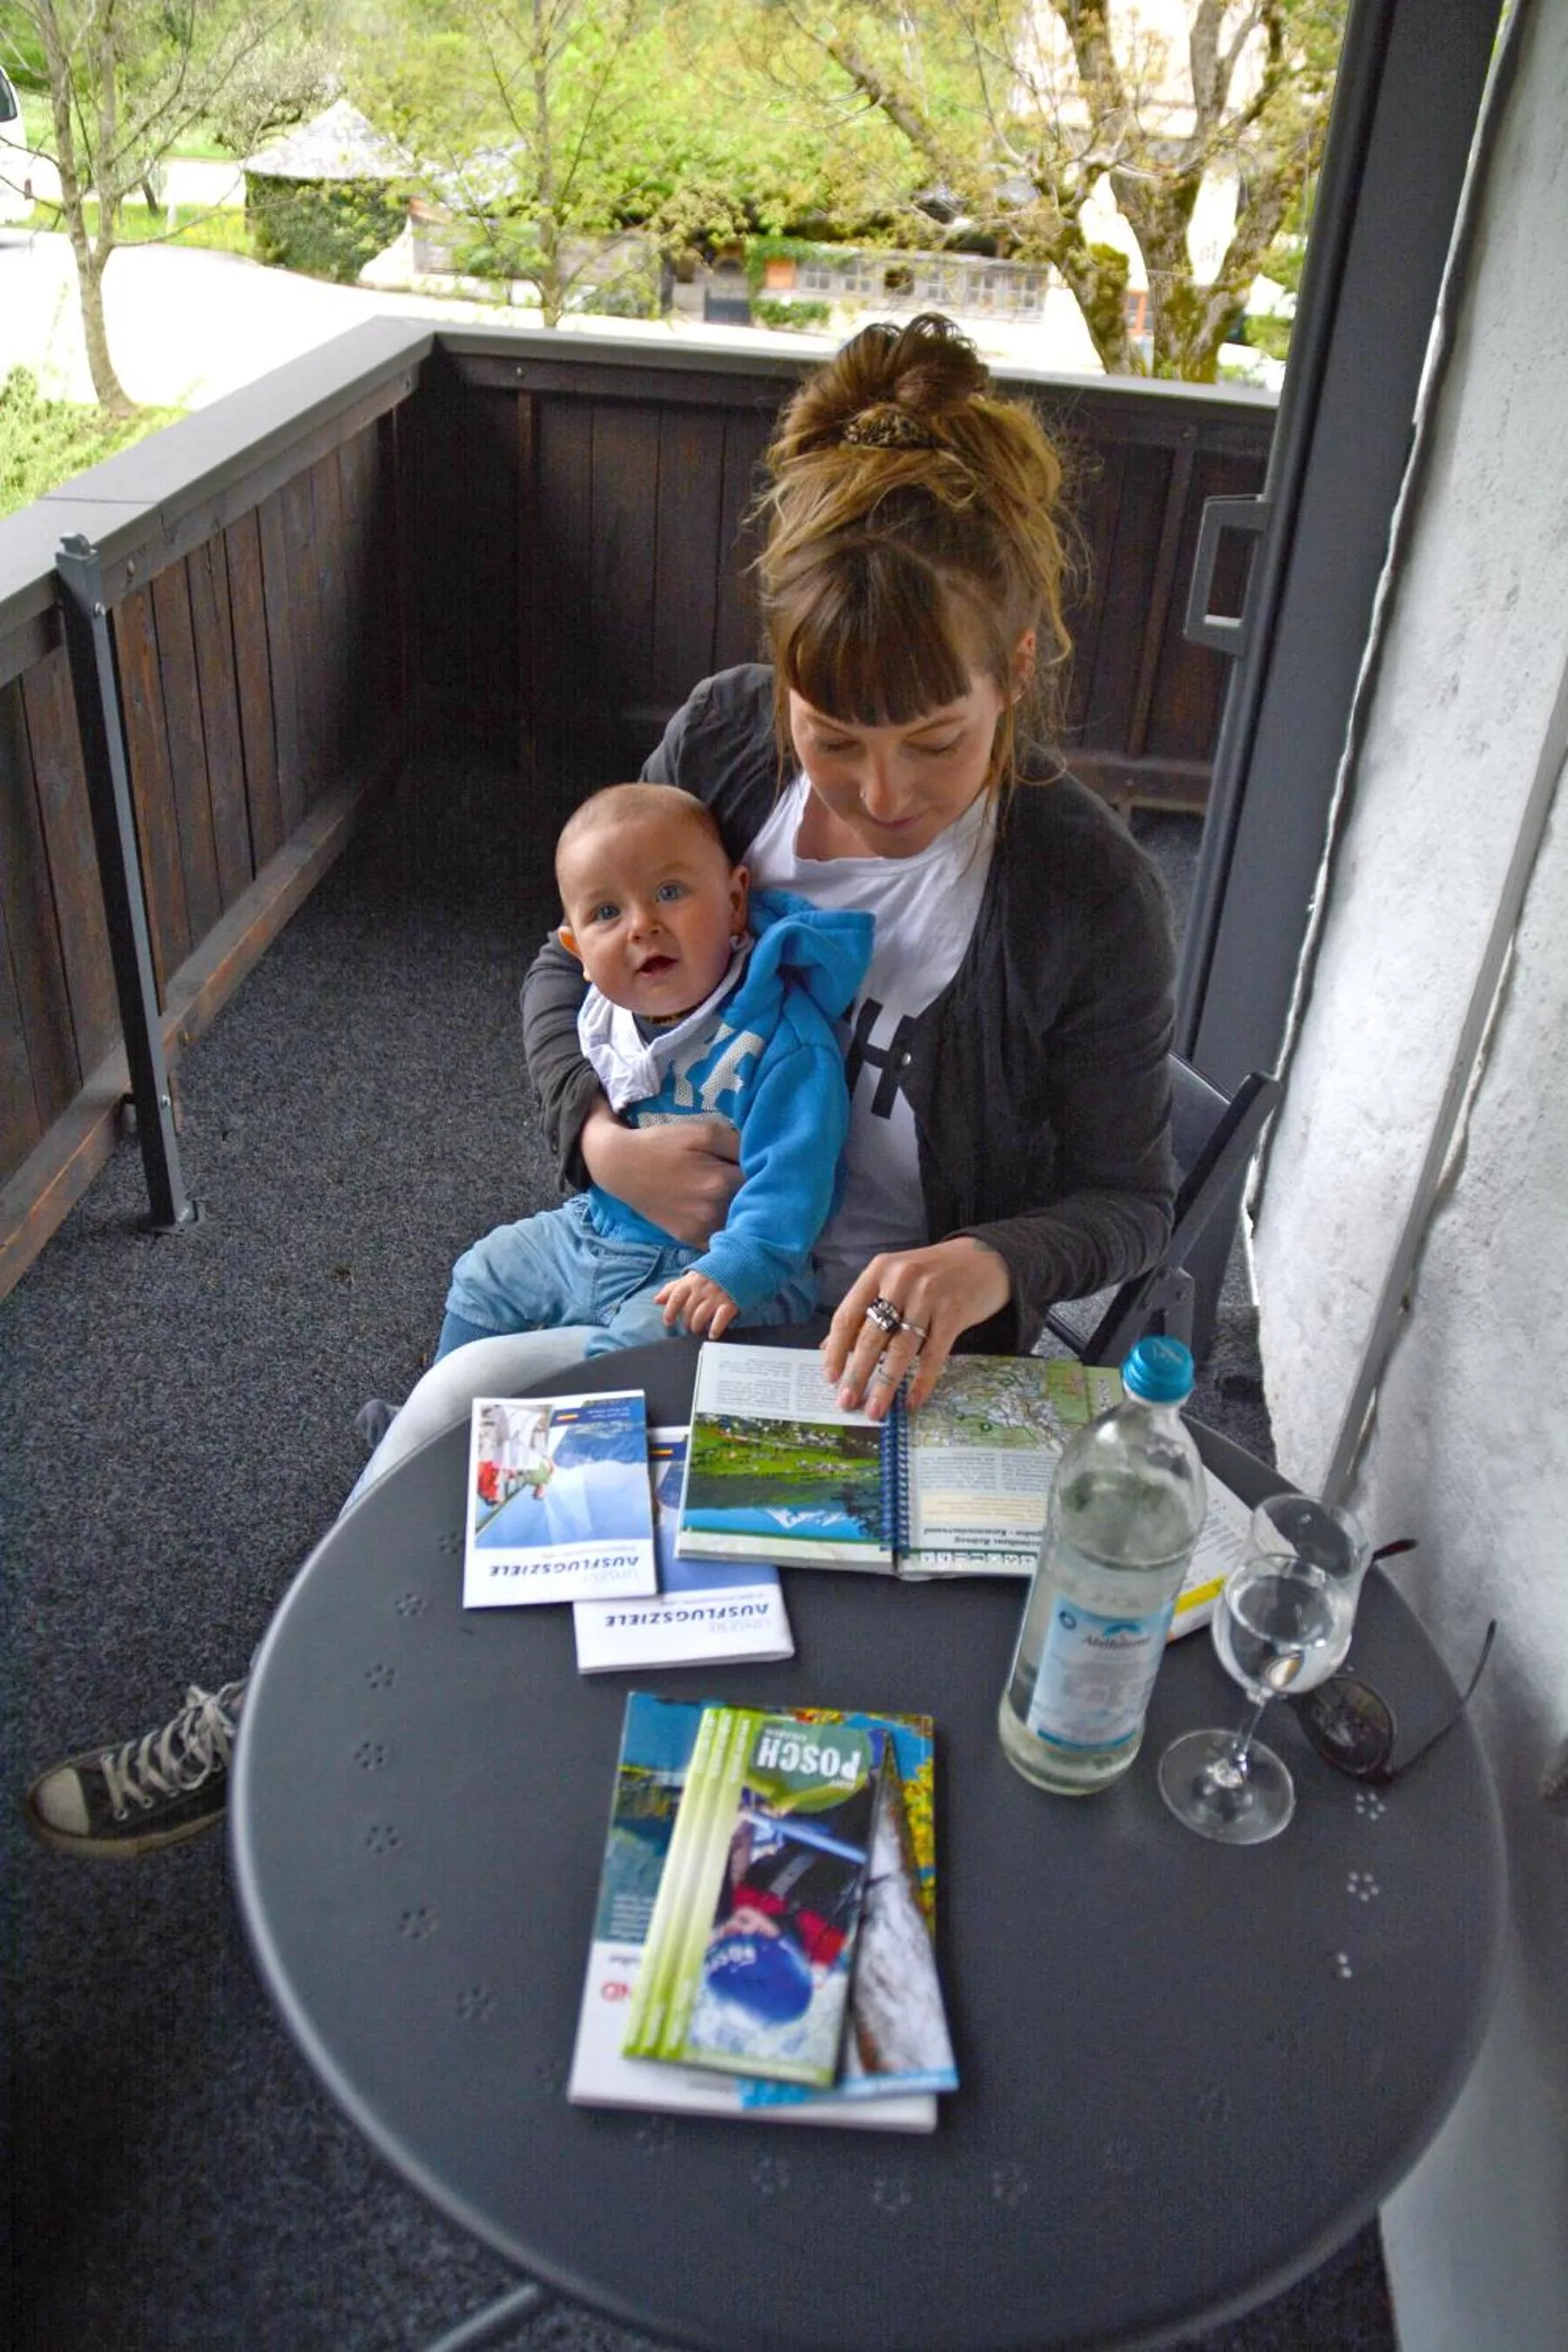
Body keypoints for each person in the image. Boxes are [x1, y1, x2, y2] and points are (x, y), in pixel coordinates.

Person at [25, 310, 1174, 1860]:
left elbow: (1128, 1200)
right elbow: (561, 965)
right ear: (782, 679)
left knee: (474, 1409)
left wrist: (981, 1262)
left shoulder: (1082, 893)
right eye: (834, 737)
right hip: (663, 1258)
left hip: (868, 1366)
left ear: (1017, 670)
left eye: (937, 743)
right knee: (486, 1387)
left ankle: (321, 1673)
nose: (880, 795)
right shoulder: (727, 743)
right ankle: (346, 1656)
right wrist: (593, 1136)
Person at [436, 780, 872, 1360]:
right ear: (578, 950)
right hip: (599, 1229)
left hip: (729, 1267)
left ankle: (592, 1417)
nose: (641, 925)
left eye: (669, 892)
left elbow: (796, 1180)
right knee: (484, 1273)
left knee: (630, 1355)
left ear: (735, 901)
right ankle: (433, 1409)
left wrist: (737, 1268)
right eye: (607, 913)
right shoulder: (603, 1015)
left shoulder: (783, 1040)